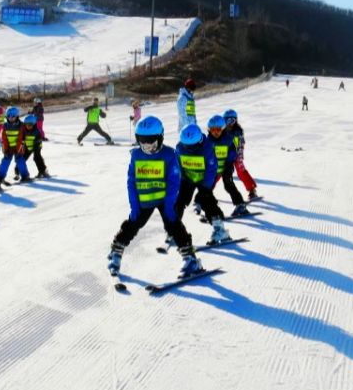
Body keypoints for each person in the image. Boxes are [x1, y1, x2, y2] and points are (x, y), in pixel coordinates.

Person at [106, 116, 202, 278]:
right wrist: (134, 205)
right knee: (133, 224)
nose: (147, 147)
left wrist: (170, 204)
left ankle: (190, 259)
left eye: (151, 142)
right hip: (145, 199)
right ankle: (116, 252)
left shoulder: (169, 154)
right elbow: (131, 182)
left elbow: (174, 181)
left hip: (165, 199)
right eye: (142, 142)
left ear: (160, 138)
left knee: (174, 225)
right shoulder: (136, 155)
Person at [173, 123, 228, 243]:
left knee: (206, 201)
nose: (189, 148)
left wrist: (206, 188)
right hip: (188, 178)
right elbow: (178, 164)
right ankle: (174, 230)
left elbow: (212, 168)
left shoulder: (207, 147)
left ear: (199, 141)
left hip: (204, 180)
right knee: (179, 201)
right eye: (187, 145)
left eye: (192, 146)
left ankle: (220, 229)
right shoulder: (180, 147)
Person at [207, 114, 249, 217]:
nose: (215, 133)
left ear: (223, 129)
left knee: (228, 185)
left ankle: (240, 205)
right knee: (207, 187)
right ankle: (205, 207)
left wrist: (228, 163)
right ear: (209, 130)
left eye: (218, 130)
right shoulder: (208, 142)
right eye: (213, 130)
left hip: (226, 167)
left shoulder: (228, 139)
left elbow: (233, 153)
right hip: (214, 168)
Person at [222, 109, 260, 201]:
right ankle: (206, 193)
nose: (229, 123)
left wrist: (238, 156)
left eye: (231, 120)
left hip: (236, 155)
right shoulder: (222, 131)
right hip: (224, 156)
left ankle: (252, 190)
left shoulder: (238, 131)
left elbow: (241, 145)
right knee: (217, 173)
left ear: (235, 120)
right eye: (226, 120)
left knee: (241, 171)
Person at [0, 107, 31, 183]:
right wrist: (5, 149)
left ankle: (25, 175)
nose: (10, 118)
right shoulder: (5, 126)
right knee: (5, 160)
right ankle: (0, 177)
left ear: (17, 116)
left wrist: (20, 147)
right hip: (9, 148)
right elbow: (4, 138)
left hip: (19, 147)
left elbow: (23, 137)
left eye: (13, 116)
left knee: (20, 160)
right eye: (8, 116)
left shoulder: (21, 125)